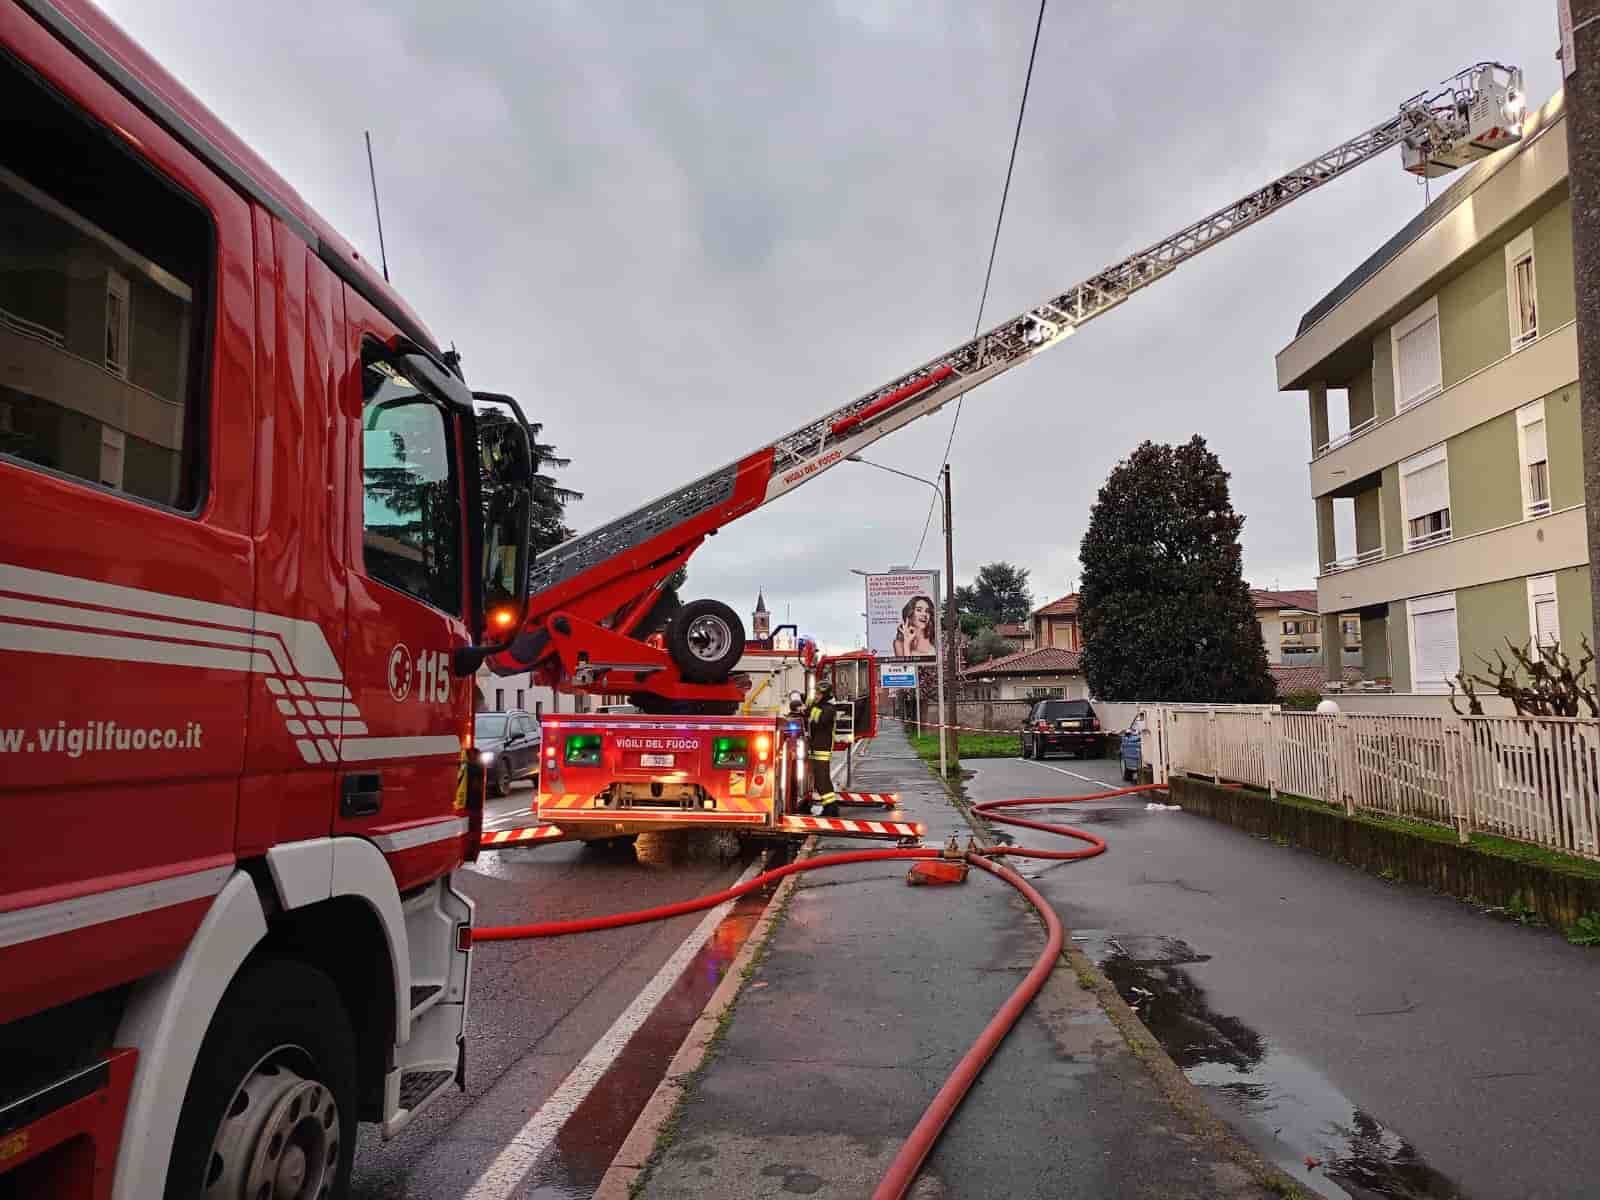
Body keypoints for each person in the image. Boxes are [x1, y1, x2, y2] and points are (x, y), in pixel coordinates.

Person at [806, 680, 841, 817]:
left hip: (823, 749)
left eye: (819, 694)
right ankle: (829, 807)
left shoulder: (828, 710)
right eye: (816, 693)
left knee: (822, 780)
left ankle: (831, 809)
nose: (817, 696)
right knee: (820, 780)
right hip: (817, 747)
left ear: (826, 695)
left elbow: (817, 720)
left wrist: (810, 708)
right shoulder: (820, 706)